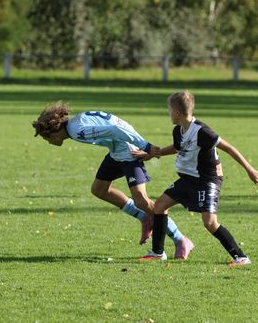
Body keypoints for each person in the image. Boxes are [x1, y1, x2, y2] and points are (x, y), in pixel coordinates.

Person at [32, 102, 194, 258]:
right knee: (99, 189)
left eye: (47, 139)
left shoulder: (77, 131)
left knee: (142, 201)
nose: (49, 143)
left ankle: (181, 239)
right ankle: (144, 217)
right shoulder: (75, 123)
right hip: (116, 151)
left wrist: (146, 147)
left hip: (129, 152)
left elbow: (115, 129)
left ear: (53, 132)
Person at [136, 91, 258, 266]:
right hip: (188, 179)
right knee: (159, 206)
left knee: (210, 222)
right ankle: (158, 253)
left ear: (177, 113)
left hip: (207, 179)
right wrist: (153, 154)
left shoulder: (203, 132)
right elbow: (177, 147)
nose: (169, 114)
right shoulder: (178, 131)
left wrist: (249, 169)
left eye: (169, 111)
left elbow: (228, 147)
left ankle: (241, 257)